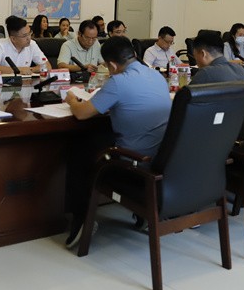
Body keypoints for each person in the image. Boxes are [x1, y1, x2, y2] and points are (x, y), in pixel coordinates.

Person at [64, 36, 172, 247]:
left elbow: (82, 114)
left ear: (112, 65)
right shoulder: (156, 75)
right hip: (162, 157)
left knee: (79, 151)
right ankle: (142, 212)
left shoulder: (118, 82)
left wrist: (72, 100)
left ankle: (82, 219)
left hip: (135, 162)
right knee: (100, 137)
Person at [189, 31, 244, 140]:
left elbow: (185, 105)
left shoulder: (206, 73)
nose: (196, 62)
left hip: (223, 138)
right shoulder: (240, 70)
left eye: (195, 56)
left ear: (203, 53)